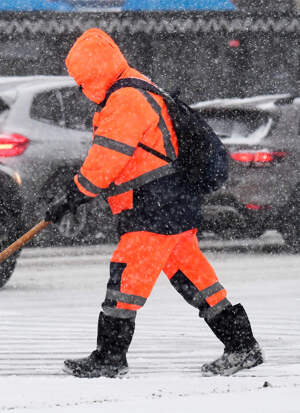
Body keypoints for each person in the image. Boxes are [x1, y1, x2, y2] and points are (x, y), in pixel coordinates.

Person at [45, 28, 264, 378]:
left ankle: (109, 357)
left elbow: (107, 159)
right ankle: (242, 346)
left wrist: (72, 196)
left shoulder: (125, 99)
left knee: (126, 278)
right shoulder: (135, 86)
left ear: (93, 73)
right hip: (172, 203)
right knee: (195, 278)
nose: (81, 89)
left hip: (154, 207)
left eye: (81, 81)